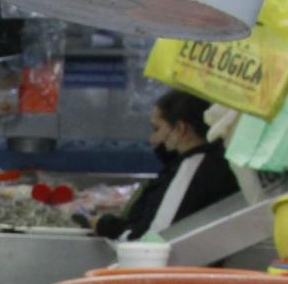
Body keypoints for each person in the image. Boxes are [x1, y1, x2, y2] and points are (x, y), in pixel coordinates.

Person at [94, 89, 241, 240]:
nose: (153, 139)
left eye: (157, 129)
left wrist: (107, 226)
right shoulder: (202, 163)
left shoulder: (192, 168)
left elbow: (153, 239)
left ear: (180, 128)